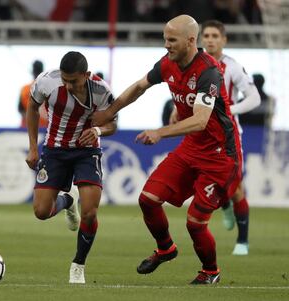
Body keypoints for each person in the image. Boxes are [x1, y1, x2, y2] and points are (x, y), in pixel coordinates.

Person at [92, 15, 242, 285]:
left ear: (190, 41)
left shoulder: (210, 71)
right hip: (191, 148)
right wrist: (110, 112)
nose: (166, 45)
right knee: (148, 199)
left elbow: (200, 120)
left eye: (171, 40)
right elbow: (139, 87)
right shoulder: (167, 64)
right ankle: (166, 249)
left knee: (195, 223)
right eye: (165, 39)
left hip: (219, 156)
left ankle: (211, 272)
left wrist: (159, 132)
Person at [25, 51, 117, 284]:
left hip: (87, 152)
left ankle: (78, 265)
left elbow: (112, 123)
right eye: (64, 79)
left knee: (90, 211)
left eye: (73, 81)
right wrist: (33, 147)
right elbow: (32, 107)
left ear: (86, 75)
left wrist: (97, 131)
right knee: (41, 212)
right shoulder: (47, 81)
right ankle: (67, 200)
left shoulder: (101, 91)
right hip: (55, 150)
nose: (67, 85)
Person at [201, 19, 261, 256]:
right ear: (200, 39)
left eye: (215, 36)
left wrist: (229, 110)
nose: (210, 40)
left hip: (227, 136)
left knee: (235, 188)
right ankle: (224, 204)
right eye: (206, 35)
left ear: (224, 40)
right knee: (202, 181)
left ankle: (242, 242)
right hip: (201, 134)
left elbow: (254, 98)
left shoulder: (232, 67)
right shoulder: (194, 64)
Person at [18, 60, 48, 128]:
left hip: (28, 128)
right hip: (45, 129)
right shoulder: (49, 89)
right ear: (43, 72)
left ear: (32, 72)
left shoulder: (25, 89)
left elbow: (20, 109)